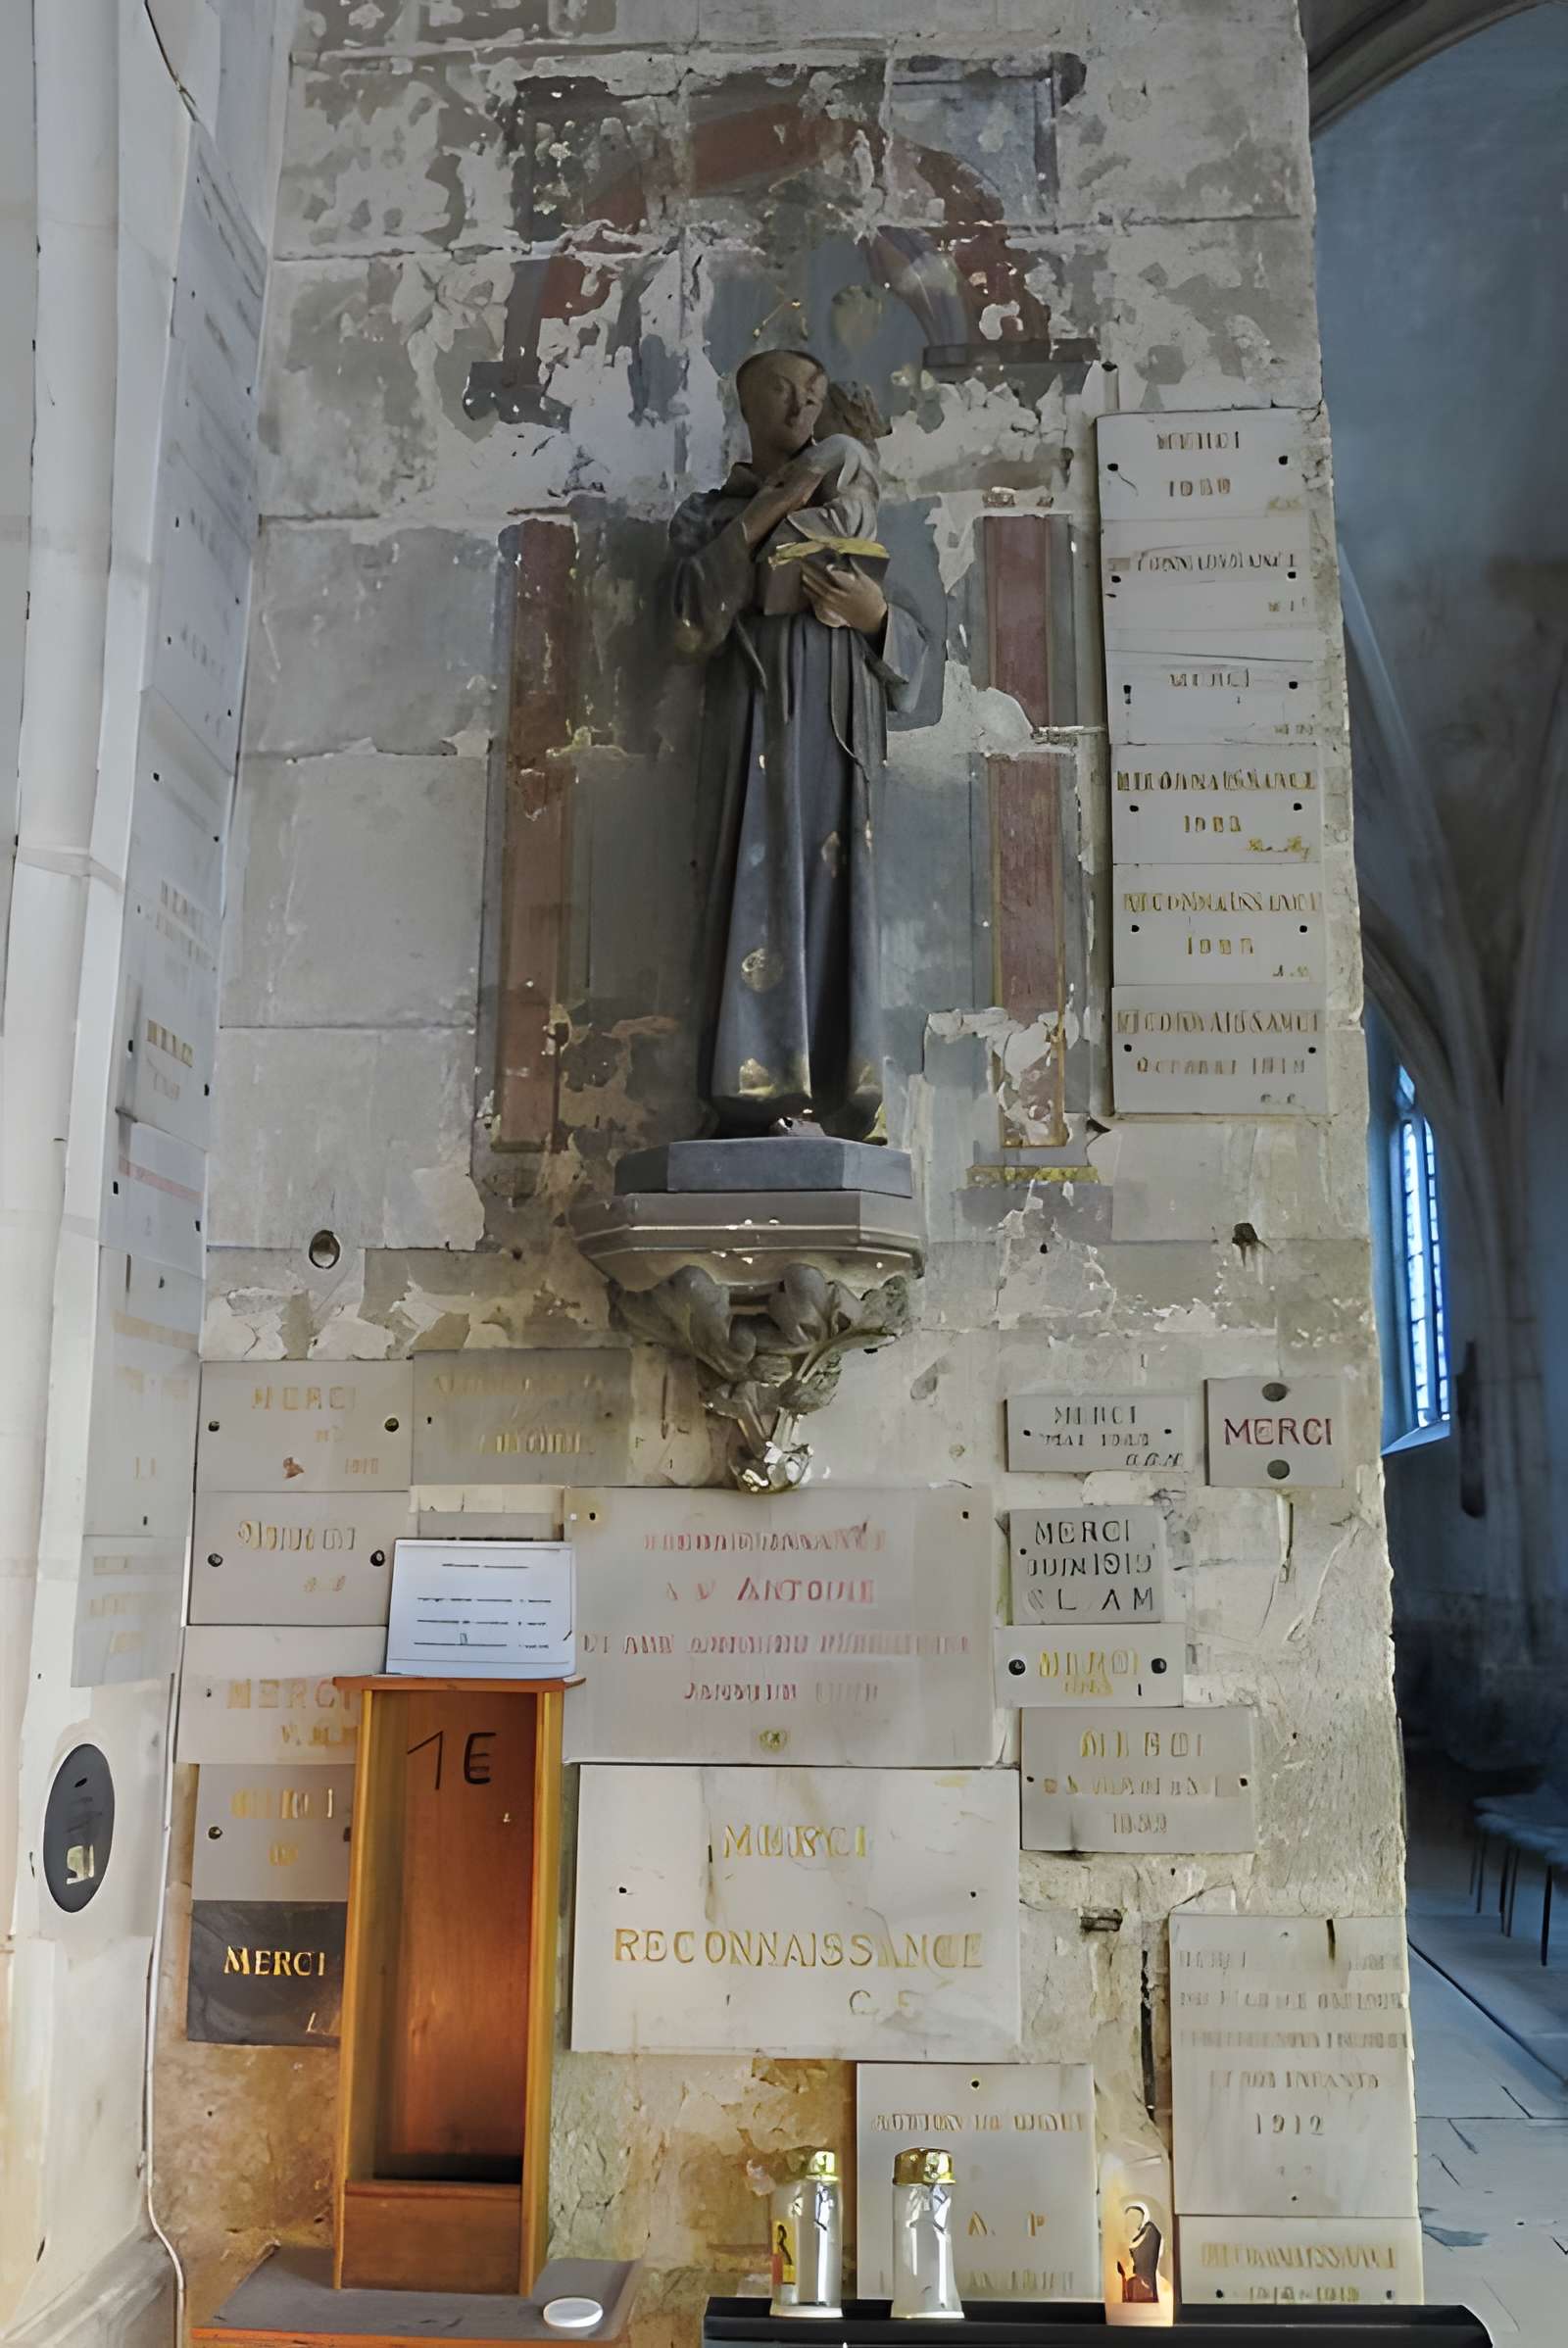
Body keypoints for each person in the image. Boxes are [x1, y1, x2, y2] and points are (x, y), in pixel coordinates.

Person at [668, 348, 927, 1141]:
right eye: (782, 395)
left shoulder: (857, 504)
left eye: (813, 397)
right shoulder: (708, 517)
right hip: (755, 731)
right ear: (748, 406)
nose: (800, 412)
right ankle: (749, 1100)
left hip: (840, 740)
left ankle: (841, 1100)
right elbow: (686, 622)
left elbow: (920, 655)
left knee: (834, 899)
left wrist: (873, 616)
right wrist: (768, 510)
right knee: (754, 894)